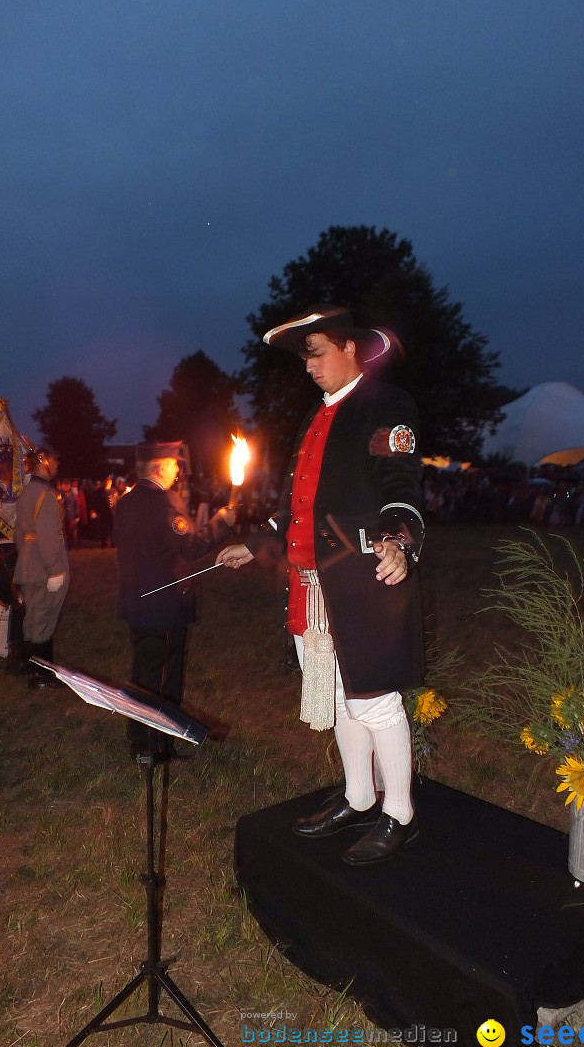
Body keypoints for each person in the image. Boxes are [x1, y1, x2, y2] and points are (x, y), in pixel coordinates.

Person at [217, 305, 425, 866]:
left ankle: (398, 812)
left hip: (364, 580)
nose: (308, 366)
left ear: (350, 348)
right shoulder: (319, 416)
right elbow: (298, 510)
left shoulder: (384, 406)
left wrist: (398, 542)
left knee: (374, 700)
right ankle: (359, 797)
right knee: (338, 697)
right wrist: (258, 542)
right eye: (304, 356)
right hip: (312, 587)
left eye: (316, 353)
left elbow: (400, 484)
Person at [114, 441, 236, 759]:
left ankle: (139, 739)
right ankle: (156, 746)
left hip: (136, 602)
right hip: (163, 606)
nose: (178, 470)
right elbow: (190, 548)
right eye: (173, 464)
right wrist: (223, 522)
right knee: (162, 679)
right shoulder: (164, 501)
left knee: (143, 672)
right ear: (158, 467)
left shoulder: (126, 502)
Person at [13, 447, 70, 688]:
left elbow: (19, 535)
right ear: (42, 461)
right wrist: (55, 569)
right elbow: (47, 536)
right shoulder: (44, 495)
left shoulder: (27, 493)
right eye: (54, 460)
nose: (57, 465)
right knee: (42, 621)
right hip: (43, 568)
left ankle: (31, 668)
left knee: (34, 620)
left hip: (29, 565)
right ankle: (40, 677)